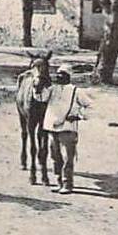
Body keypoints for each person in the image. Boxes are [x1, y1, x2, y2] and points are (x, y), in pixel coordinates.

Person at [44, 67, 86, 195]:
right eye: (58, 74)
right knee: (55, 156)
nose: (59, 77)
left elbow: (91, 105)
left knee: (68, 157)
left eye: (63, 74)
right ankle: (59, 182)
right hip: (52, 126)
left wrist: (79, 115)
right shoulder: (52, 90)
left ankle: (68, 184)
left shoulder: (76, 91)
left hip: (68, 127)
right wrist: (38, 86)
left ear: (68, 76)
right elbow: (40, 97)